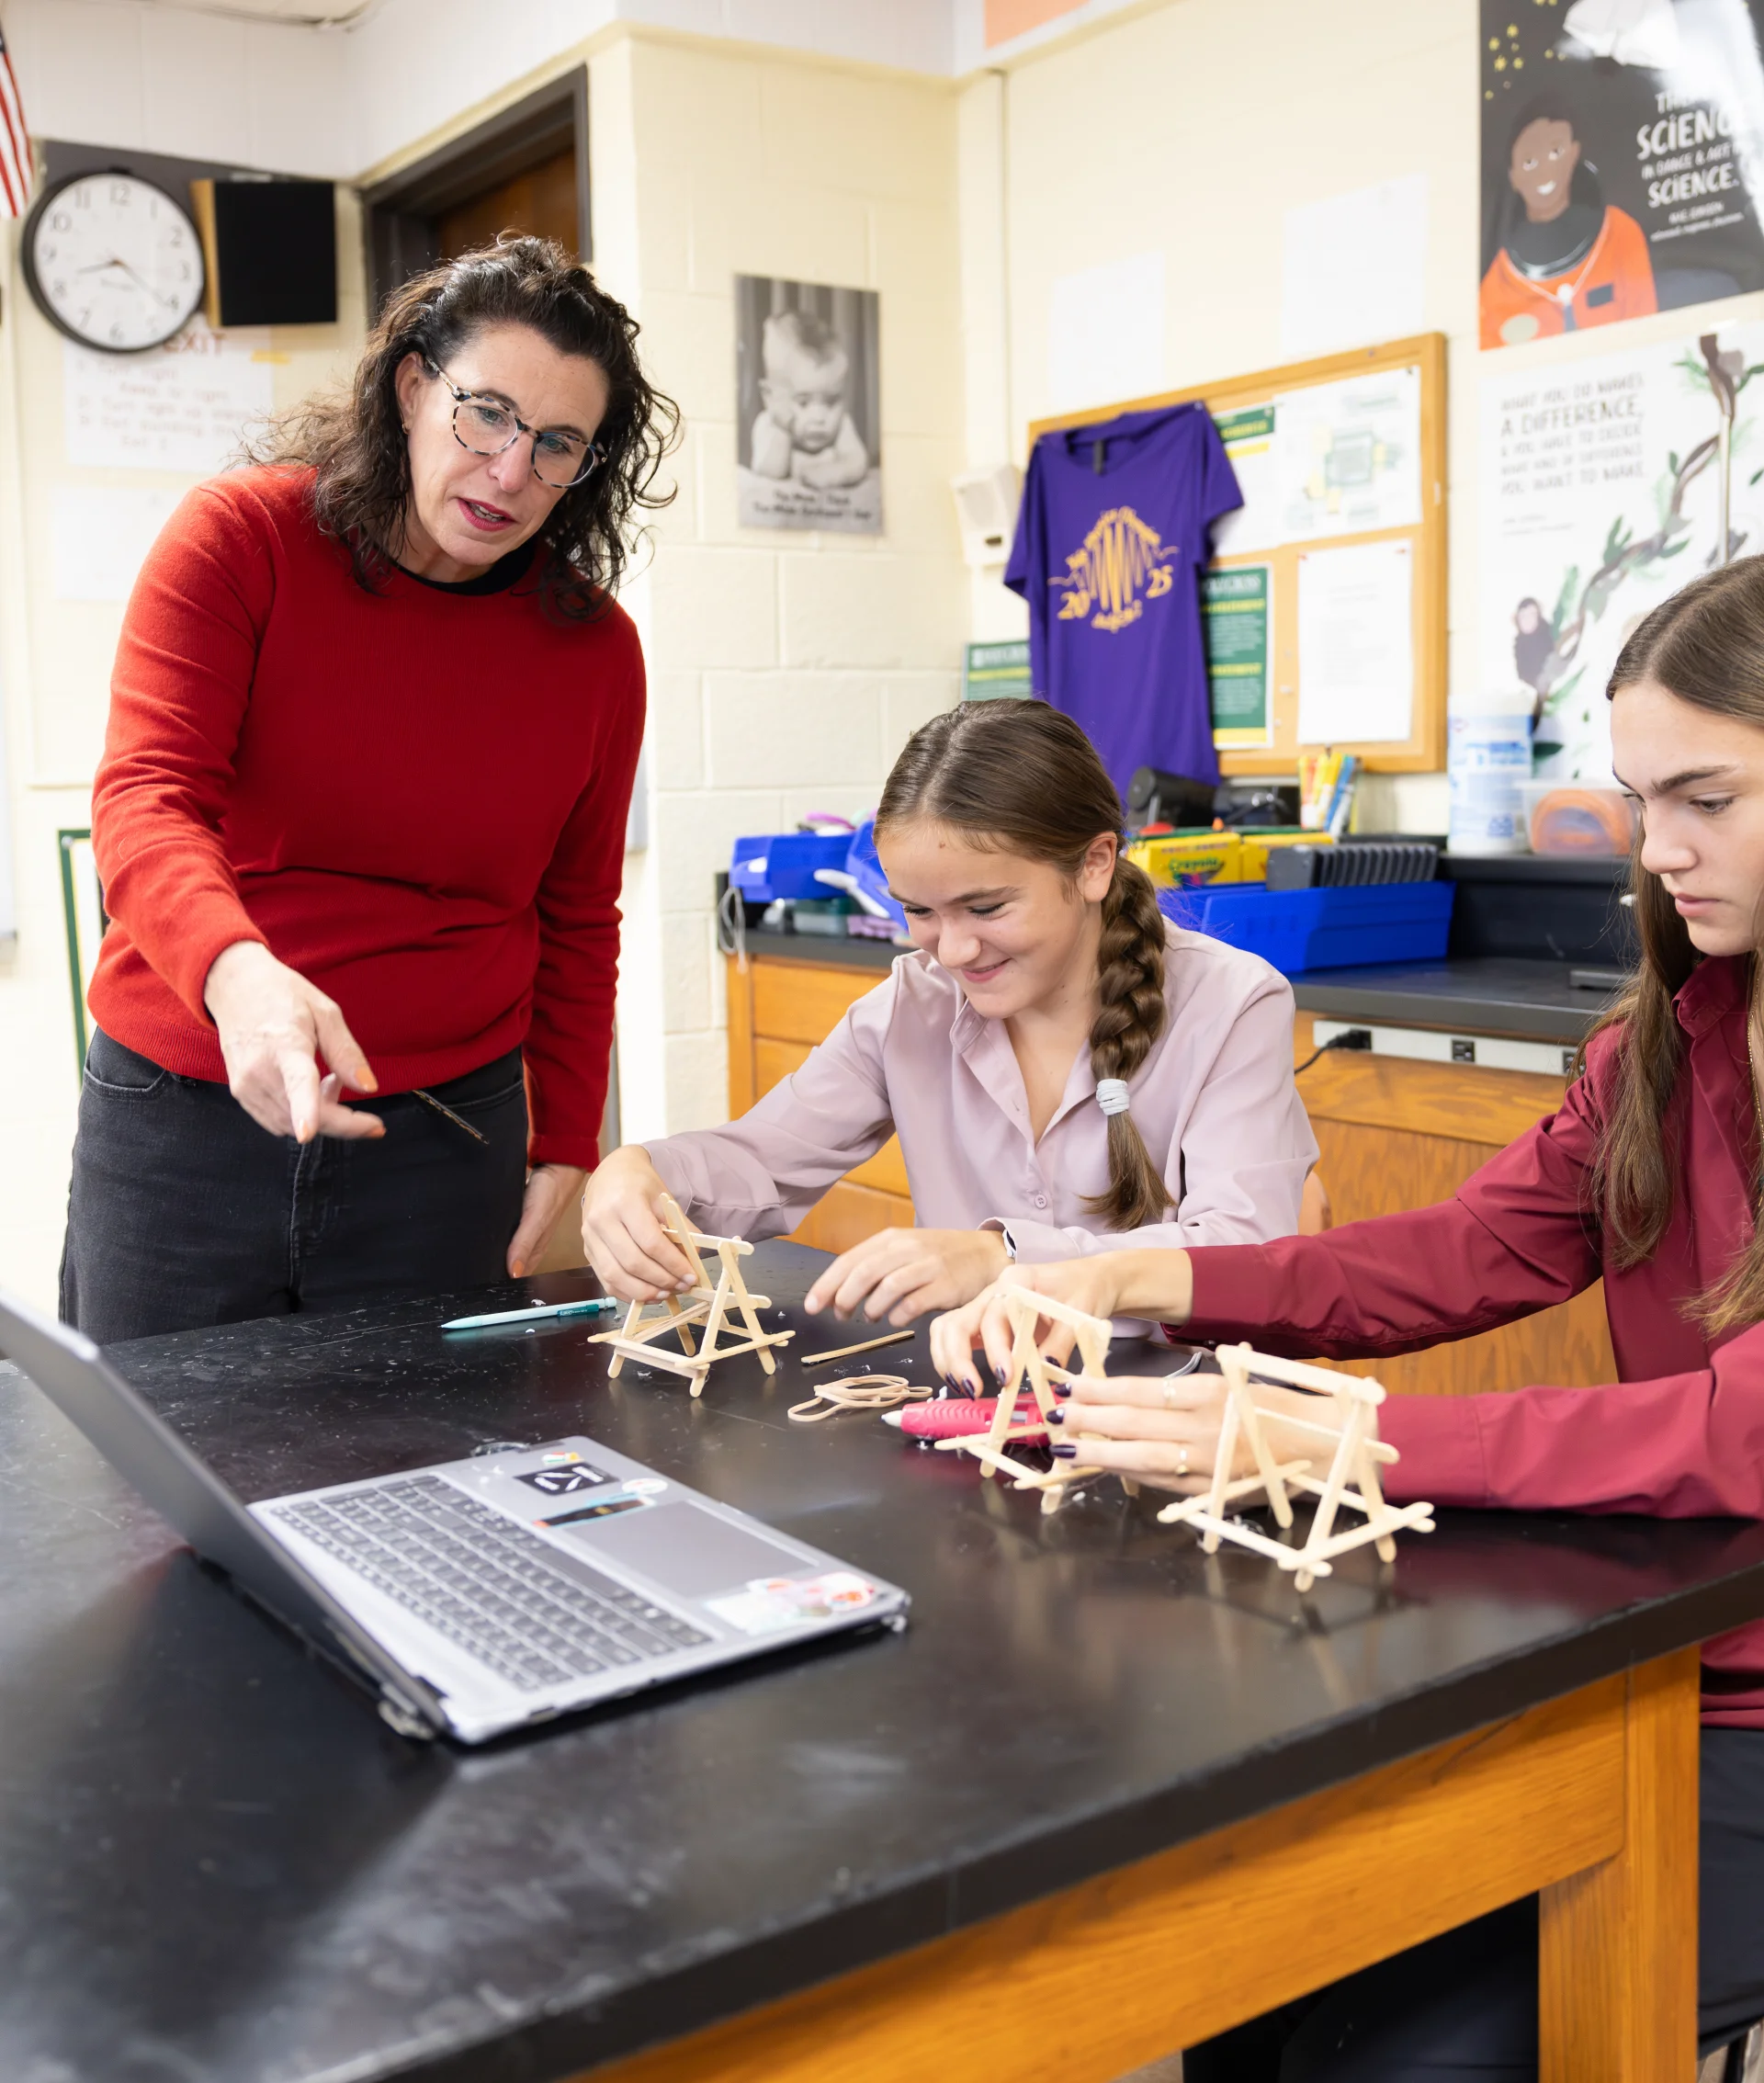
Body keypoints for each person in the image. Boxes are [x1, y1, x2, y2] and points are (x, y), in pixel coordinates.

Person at [930, 558, 1764, 2077]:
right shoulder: (1670, 1037)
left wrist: (1345, 1438)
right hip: (1654, 1660)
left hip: (1737, 1706)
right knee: (1250, 1973)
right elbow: (1453, 1254)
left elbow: (1735, 1432)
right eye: (1642, 802)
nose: (1660, 850)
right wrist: (1138, 1273)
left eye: (1707, 797)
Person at [62, 235, 677, 1343]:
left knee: (423, 1483)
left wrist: (565, 1140)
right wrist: (238, 976)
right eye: (485, 414)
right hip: (184, 1115)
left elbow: (580, 915)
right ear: (411, 384)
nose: (509, 472)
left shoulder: (597, 651)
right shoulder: (241, 541)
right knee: (159, 1492)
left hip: (447, 1142)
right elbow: (147, 796)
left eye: (557, 446)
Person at [582, 700, 1317, 1327]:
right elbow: (760, 1161)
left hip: (1180, 1413)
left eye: (987, 906)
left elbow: (1245, 1252)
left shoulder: (1231, 1003)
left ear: (1094, 864)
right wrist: (638, 1171)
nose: (955, 950)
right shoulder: (912, 1003)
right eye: (920, 911)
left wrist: (1000, 1256)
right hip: (981, 1406)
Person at [1480, 99, 1657, 348]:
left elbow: (1648, 334)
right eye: (1529, 162)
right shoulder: (1498, 284)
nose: (1545, 172)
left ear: (1574, 153)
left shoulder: (1620, 233)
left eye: (1556, 152)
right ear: (1514, 177)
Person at [749, 308, 871, 490]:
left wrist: (834, 473)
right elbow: (771, 472)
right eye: (803, 403)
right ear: (770, 397)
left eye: (831, 402)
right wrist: (783, 427)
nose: (820, 417)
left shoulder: (842, 425)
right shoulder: (768, 424)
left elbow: (858, 462)